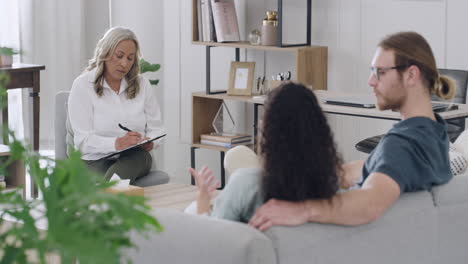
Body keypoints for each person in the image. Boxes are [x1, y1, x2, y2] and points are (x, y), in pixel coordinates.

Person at [248, 31, 456, 231]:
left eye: (380, 72)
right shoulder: (433, 133)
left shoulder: (402, 145)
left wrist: (303, 209)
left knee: (246, 181)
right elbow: (377, 165)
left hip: (330, 238)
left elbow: (370, 203)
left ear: (411, 75)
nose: (371, 81)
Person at [189, 82, 345, 222]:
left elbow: (215, 239)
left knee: (191, 210)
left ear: (269, 131)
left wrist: (202, 201)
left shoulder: (247, 184)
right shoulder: (332, 189)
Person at [68, 27, 164, 183]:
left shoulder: (142, 85)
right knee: (114, 176)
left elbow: (157, 129)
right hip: (95, 161)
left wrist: (150, 142)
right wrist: (117, 143)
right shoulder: (83, 85)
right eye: (119, 56)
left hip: (135, 158)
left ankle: (105, 197)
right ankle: (109, 195)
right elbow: (82, 142)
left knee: (136, 158)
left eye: (130, 58)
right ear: (105, 52)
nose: (124, 63)